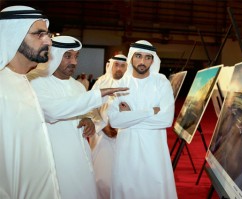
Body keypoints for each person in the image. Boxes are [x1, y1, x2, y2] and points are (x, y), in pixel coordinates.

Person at [28, 36, 128, 199]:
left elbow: (88, 114)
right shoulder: (37, 82)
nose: (74, 62)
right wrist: (97, 95)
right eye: (68, 56)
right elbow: (52, 111)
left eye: (76, 56)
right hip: (55, 159)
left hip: (81, 159)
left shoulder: (78, 87)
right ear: (53, 55)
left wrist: (89, 122)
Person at [0, 5, 61, 199]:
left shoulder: (23, 80)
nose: (49, 42)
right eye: (39, 34)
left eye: (48, 34)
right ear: (13, 36)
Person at [107, 40, 178, 199]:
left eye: (147, 57)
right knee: (126, 188)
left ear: (153, 60)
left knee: (154, 188)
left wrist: (129, 116)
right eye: (138, 56)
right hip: (127, 149)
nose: (142, 61)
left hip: (154, 149)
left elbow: (166, 119)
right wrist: (151, 111)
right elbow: (115, 121)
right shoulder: (121, 83)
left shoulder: (161, 82)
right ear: (132, 57)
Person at [89, 54, 127, 199]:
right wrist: (103, 126)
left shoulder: (131, 84)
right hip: (102, 137)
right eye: (116, 65)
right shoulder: (100, 82)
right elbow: (90, 108)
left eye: (123, 65)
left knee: (121, 178)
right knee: (102, 178)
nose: (119, 68)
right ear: (110, 65)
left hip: (123, 138)